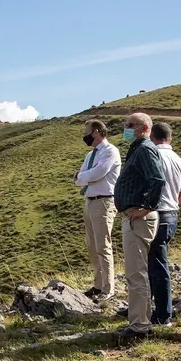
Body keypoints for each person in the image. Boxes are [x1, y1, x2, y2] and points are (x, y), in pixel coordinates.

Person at [114, 113, 166, 340]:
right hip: (133, 217)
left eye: (130, 125)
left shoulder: (144, 149)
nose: (126, 128)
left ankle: (139, 327)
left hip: (139, 218)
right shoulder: (138, 148)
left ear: (144, 128)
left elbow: (157, 179)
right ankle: (141, 322)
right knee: (137, 272)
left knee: (136, 273)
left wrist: (146, 207)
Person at [148, 122, 181, 325]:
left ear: (152, 137)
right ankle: (153, 307)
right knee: (156, 261)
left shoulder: (152, 155)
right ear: (170, 138)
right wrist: (174, 203)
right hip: (172, 212)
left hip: (156, 213)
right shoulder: (178, 159)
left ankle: (163, 313)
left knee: (156, 264)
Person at [74, 120, 122, 300]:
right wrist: (84, 177)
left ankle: (108, 289)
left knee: (103, 245)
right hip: (90, 201)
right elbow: (81, 177)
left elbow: (96, 173)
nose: (84, 135)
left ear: (95, 132)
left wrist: (84, 177)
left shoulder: (110, 151)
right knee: (92, 245)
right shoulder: (90, 155)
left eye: (86, 131)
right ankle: (98, 284)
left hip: (104, 202)